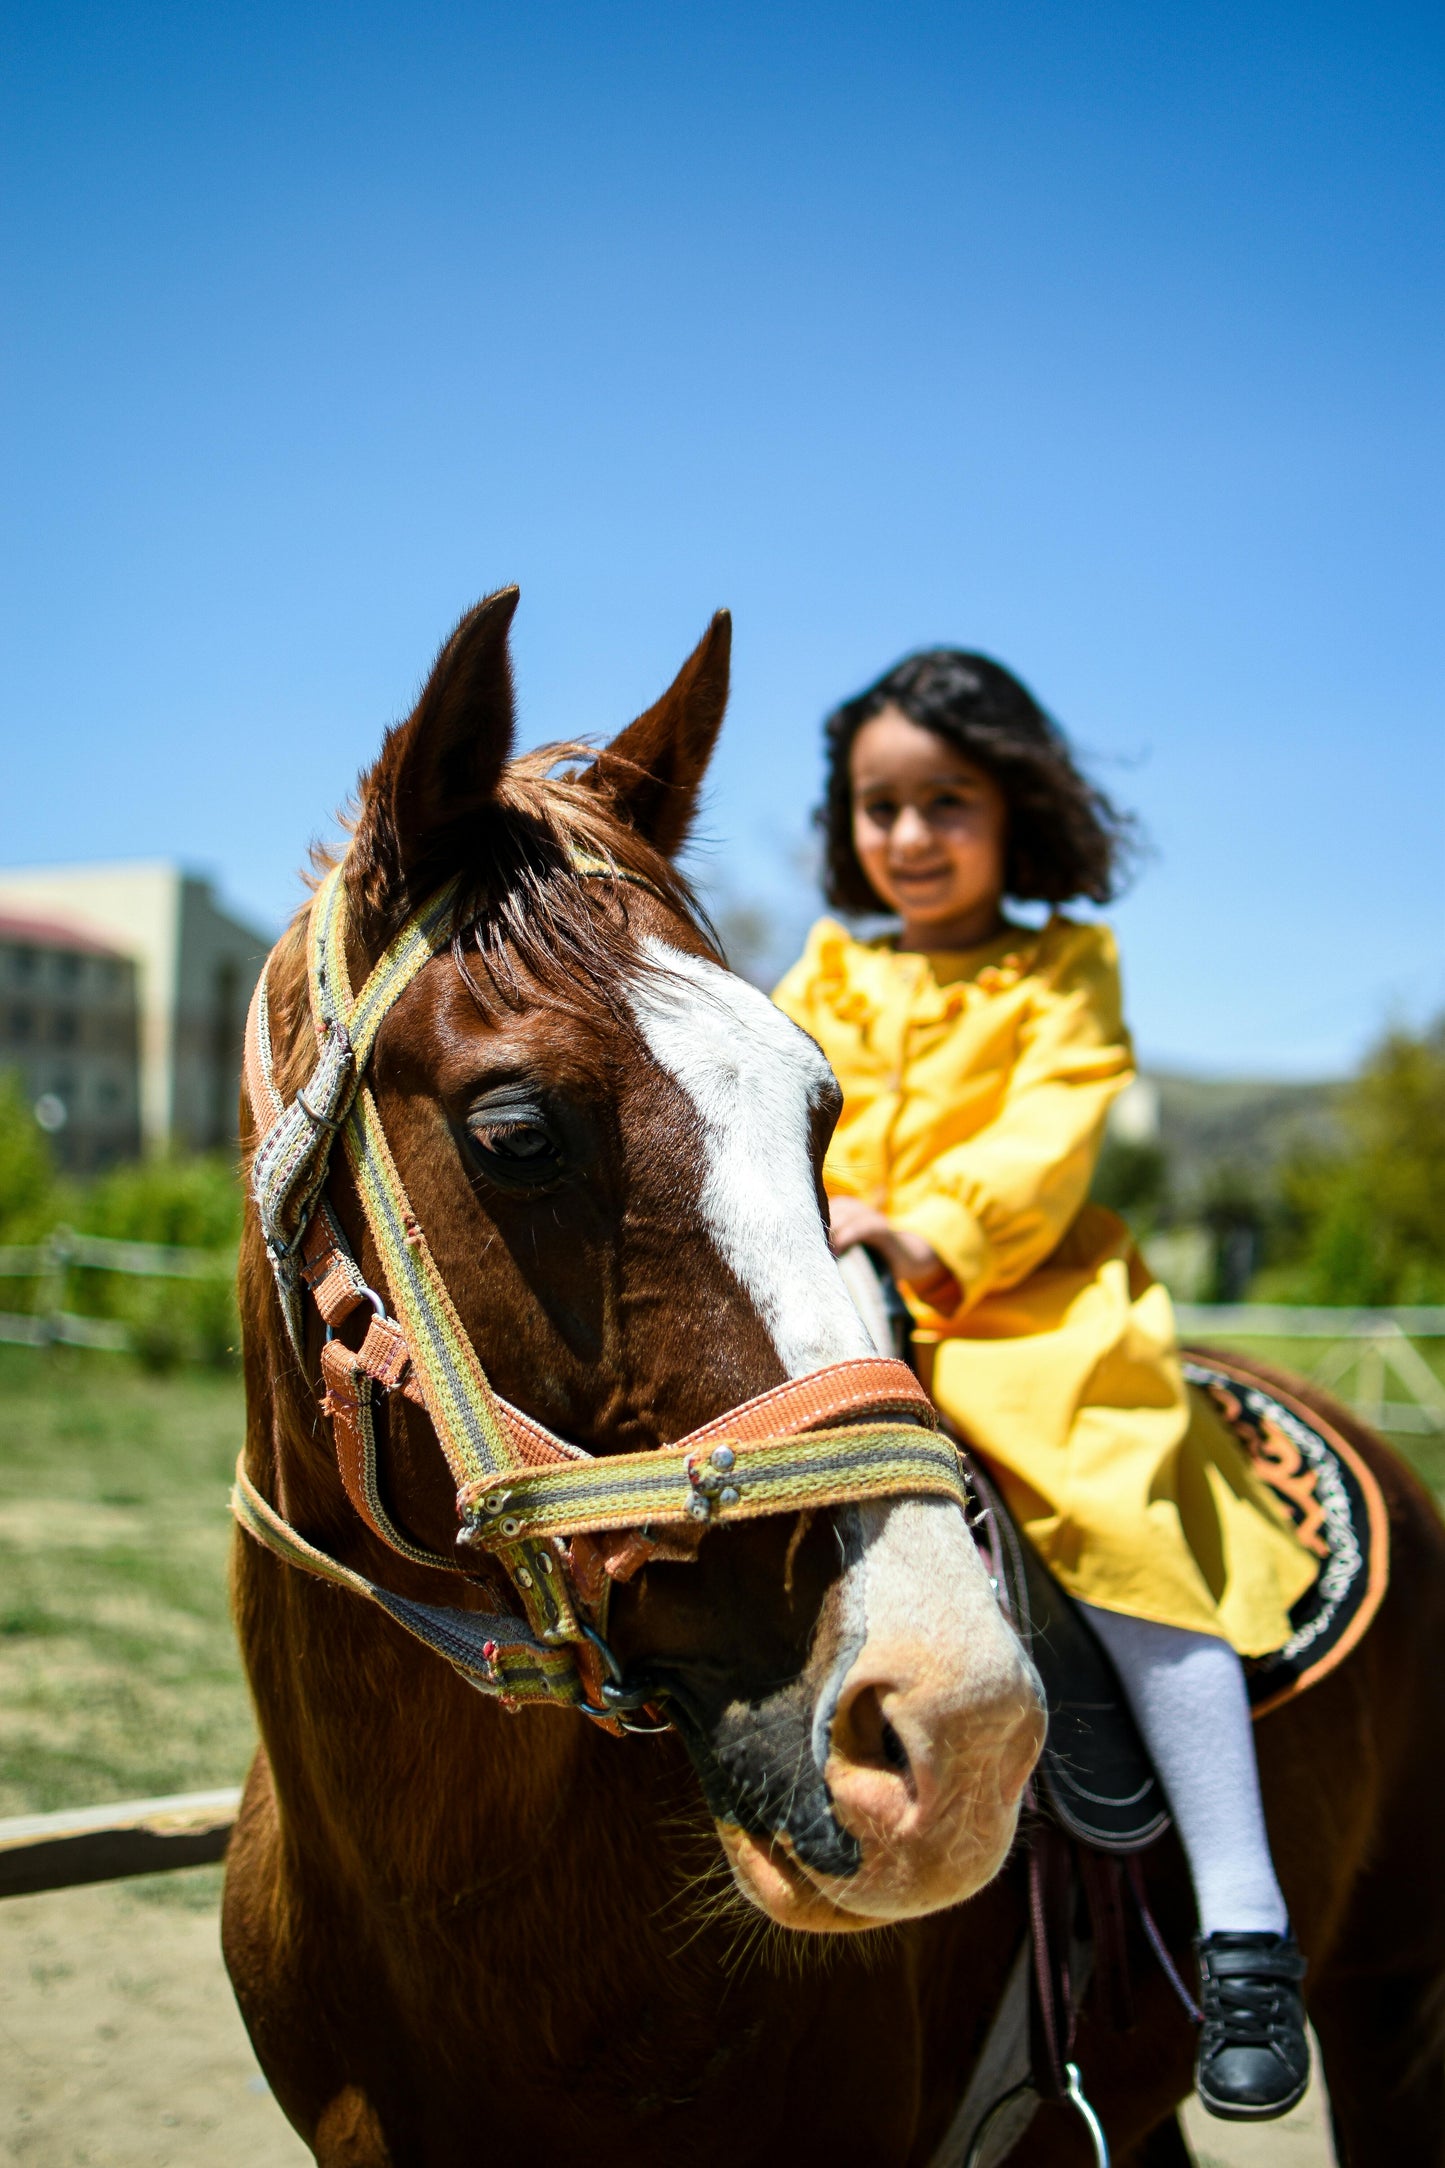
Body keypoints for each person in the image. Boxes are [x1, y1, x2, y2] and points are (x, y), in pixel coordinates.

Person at [773, 649, 1315, 2122]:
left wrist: (914, 1222)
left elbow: (1042, 1144)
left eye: (944, 801)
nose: (907, 836)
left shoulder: (1064, 966)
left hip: (1024, 1308)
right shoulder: (827, 967)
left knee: (1112, 1510)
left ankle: (1243, 1922)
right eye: (878, 806)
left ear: (1014, 809)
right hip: (839, 1307)